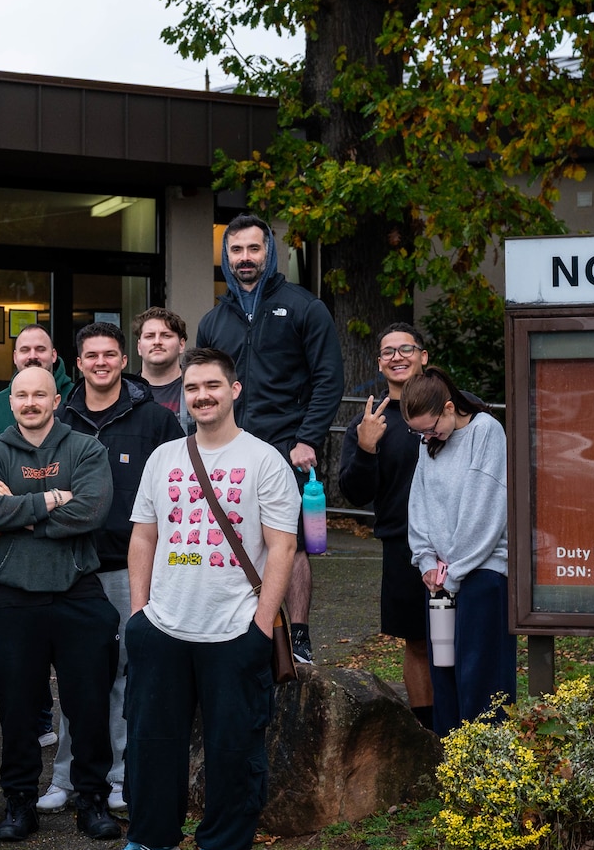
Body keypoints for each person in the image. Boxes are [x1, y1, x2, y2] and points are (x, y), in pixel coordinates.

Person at [107, 347, 299, 850]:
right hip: (163, 626)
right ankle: (152, 840)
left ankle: (221, 846)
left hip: (235, 627)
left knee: (234, 746)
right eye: (192, 388)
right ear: (183, 395)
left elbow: (282, 548)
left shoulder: (264, 460)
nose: (202, 396)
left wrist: (261, 626)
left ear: (234, 390)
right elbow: (143, 536)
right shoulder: (164, 458)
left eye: (212, 386)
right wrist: (139, 613)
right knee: (150, 742)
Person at [0, 367, 122, 845]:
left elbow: (92, 512)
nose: (30, 402)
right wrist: (54, 499)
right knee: (15, 709)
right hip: (12, 597)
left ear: (57, 400)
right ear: (10, 402)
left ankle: (92, 800)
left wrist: (22, 509)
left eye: (40, 394)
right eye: (21, 395)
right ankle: (18, 802)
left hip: (78, 592)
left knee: (90, 705)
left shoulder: (85, 449)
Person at [41, 322, 183, 815]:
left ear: (125, 360)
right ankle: (64, 778)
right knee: (75, 679)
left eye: (110, 354)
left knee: (126, 674)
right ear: (76, 364)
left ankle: (119, 778)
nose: (101, 362)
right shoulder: (61, 417)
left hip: (128, 567)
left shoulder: (156, 420)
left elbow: (175, 491)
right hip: (70, 565)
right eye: (91, 356)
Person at [196, 215, 344, 663]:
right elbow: (204, 385)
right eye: (236, 250)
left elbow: (329, 379)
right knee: (228, 538)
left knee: (291, 542)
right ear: (226, 257)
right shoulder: (213, 320)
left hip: (287, 447)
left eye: (253, 249)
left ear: (270, 252)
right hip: (229, 449)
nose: (245, 258)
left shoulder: (304, 307)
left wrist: (308, 438)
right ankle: (237, 624)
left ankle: (297, 636)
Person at [403, 367, 513, 734]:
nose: (427, 436)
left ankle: (485, 761)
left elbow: (485, 510)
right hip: (440, 577)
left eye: (431, 428)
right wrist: (425, 561)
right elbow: (418, 503)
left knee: (480, 671)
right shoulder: (429, 441)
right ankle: (451, 757)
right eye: (418, 432)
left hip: (482, 572)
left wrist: (455, 570)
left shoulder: (485, 431)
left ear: (449, 408)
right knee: (444, 666)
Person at [339, 323, 437, 727]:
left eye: (406, 348)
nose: (397, 356)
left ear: (423, 357)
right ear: (380, 365)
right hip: (403, 546)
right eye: (388, 352)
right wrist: (366, 448)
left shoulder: (455, 410)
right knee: (417, 642)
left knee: (464, 637)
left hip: (463, 543)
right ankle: (428, 734)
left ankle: (470, 729)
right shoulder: (369, 423)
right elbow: (356, 495)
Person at [0, 324, 72, 440]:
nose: (32, 356)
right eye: (25, 350)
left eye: (40, 349)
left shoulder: (77, 399)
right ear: (15, 357)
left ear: (53, 355)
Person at [132, 308, 190, 420]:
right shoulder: (124, 393)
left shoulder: (197, 389)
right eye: (150, 336)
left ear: (181, 345)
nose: (157, 342)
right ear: (139, 346)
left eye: (166, 335)